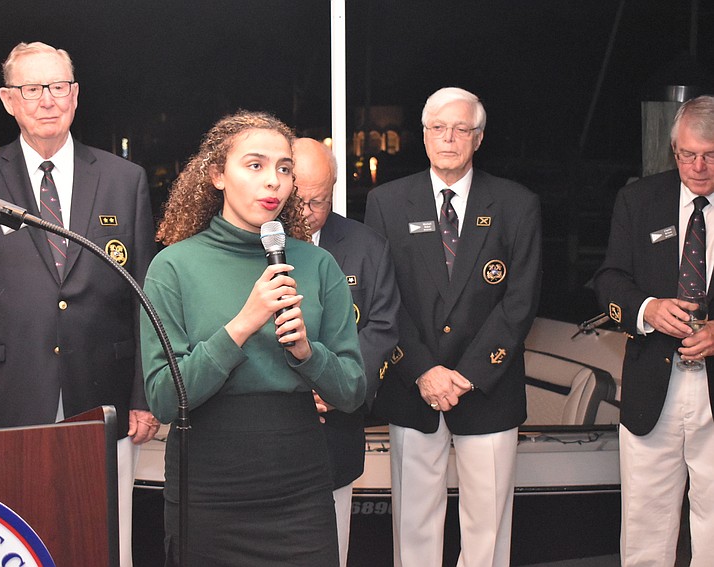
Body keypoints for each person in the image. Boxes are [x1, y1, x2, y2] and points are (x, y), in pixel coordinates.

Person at [0, 41, 160, 567]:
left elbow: (144, 296)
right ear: (8, 100)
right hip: (7, 396)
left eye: (58, 87)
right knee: (12, 535)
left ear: (75, 96)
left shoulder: (124, 180)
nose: (46, 101)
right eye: (31, 89)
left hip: (104, 396)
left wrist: (144, 393)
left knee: (107, 537)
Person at [141, 111, 366, 566]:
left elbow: (352, 391)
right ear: (217, 175)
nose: (274, 182)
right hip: (208, 486)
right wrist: (243, 324)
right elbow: (165, 398)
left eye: (284, 168)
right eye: (255, 165)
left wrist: (308, 353)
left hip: (300, 483)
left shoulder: (318, 266)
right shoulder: (172, 267)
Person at [364, 87, 542, 567]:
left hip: (488, 387)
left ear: (478, 138)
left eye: (461, 129)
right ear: (423, 136)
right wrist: (423, 370)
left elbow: (520, 302)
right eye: (438, 128)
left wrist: (465, 375)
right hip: (413, 386)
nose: (449, 138)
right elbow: (383, 300)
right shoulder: (385, 202)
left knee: (487, 528)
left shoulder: (516, 204)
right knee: (414, 525)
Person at [594, 95, 714, 566]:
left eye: (710, 155)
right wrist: (646, 308)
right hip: (651, 388)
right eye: (688, 155)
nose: (699, 166)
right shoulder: (639, 200)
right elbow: (608, 280)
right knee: (645, 526)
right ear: (673, 150)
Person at [293, 137, 400, 567]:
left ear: (333, 190)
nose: (302, 213)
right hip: (266, 430)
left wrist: (337, 387)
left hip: (335, 433)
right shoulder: (251, 241)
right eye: (294, 198)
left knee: (331, 550)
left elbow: (383, 327)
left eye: (315, 202)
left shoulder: (366, 246)